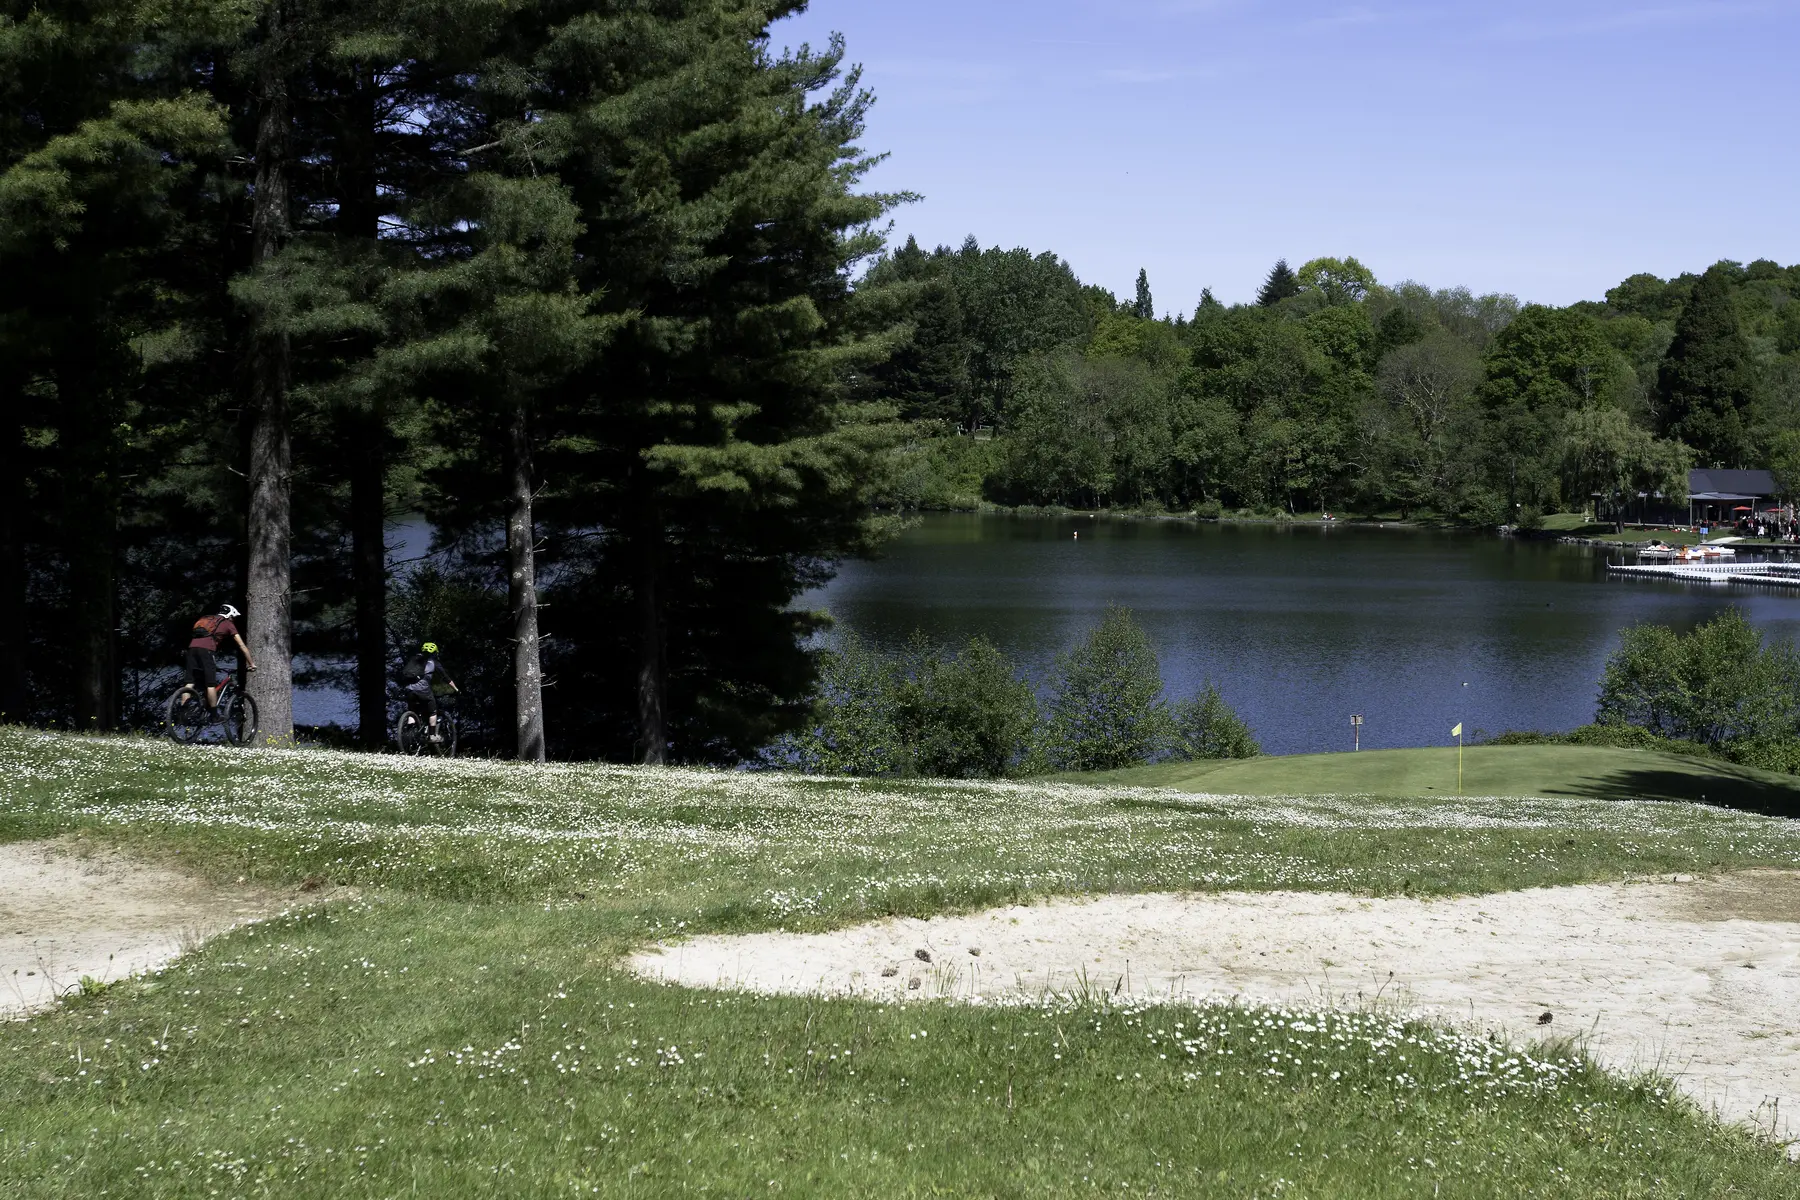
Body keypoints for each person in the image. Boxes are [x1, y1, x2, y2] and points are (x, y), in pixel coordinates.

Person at [184, 603, 256, 709]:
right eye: (233, 617)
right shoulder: (227, 623)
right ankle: (214, 714)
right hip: (206, 650)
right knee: (210, 684)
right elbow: (242, 646)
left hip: (191, 648)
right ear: (230, 615)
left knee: (189, 682)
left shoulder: (208, 619)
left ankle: (183, 710)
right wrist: (251, 663)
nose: (233, 620)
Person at [398, 641, 460, 742]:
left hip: (409, 689)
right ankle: (432, 735)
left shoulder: (414, 659)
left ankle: (410, 735)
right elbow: (446, 678)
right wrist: (456, 690)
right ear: (435, 652)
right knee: (433, 712)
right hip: (423, 691)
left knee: (413, 711)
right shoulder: (434, 662)